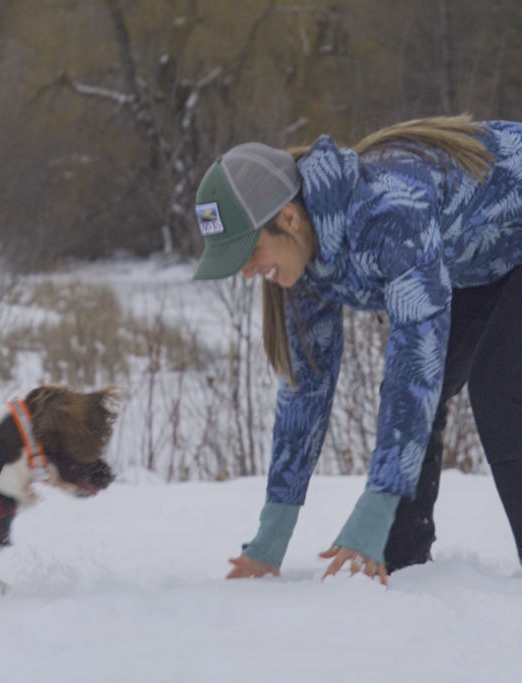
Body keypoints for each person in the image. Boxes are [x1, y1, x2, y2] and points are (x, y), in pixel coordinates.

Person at [192, 115, 522, 585]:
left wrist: (375, 503)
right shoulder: (305, 266)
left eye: (247, 252)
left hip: (504, 244)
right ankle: (401, 562)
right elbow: (306, 390)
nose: (246, 272)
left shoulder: (389, 209)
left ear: (288, 216)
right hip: (493, 255)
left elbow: (415, 362)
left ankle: (384, 534)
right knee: (426, 392)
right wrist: (272, 537)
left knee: (498, 389)